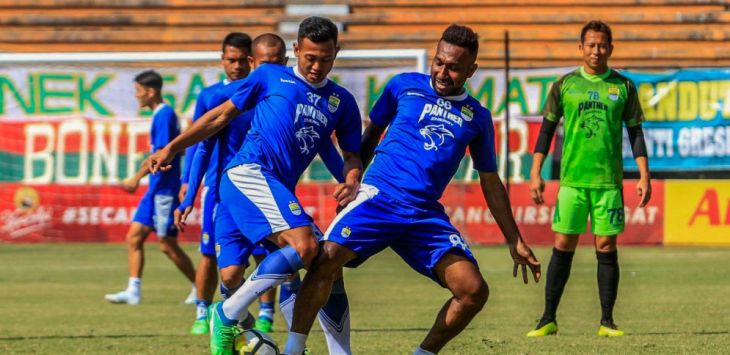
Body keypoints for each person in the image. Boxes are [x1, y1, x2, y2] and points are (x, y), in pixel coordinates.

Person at [284, 24, 542, 355]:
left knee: (473, 290)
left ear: (471, 70)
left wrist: (514, 240)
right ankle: (294, 348)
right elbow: (370, 135)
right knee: (325, 260)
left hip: (423, 214)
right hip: (379, 198)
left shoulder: (477, 117)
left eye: (453, 67)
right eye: (439, 62)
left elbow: (490, 181)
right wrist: (352, 182)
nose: (442, 72)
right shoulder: (403, 86)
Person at [148, 17, 362, 355]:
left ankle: (329, 351)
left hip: (276, 189)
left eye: (326, 58)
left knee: (327, 263)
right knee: (305, 247)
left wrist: (352, 182)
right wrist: (173, 147)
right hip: (247, 174)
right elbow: (219, 117)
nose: (317, 66)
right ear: (296, 51)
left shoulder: (341, 101)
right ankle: (228, 312)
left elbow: (350, 155)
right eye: (310, 58)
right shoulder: (269, 76)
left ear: (337, 51)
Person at [525, 20, 651, 338]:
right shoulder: (565, 85)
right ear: (581, 48)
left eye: (602, 45)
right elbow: (546, 131)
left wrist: (644, 175)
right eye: (591, 45)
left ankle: (607, 321)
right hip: (572, 182)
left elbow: (636, 132)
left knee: (606, 246)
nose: (596, 50)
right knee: (562, 244)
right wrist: (535, 172)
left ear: (610, 48)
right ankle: (547, 318)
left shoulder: (623, 86)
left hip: (608, 183)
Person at [179, 32, 253, 335]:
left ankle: (262, 314)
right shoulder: (210, 96)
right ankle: (202, 310)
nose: (236, 66)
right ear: (222, 60)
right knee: (209, 252)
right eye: (230, 60)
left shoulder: (263, 93)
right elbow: (199, 141)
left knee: (265, 254)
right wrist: (187, 182)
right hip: (218, 185)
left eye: (241, 60)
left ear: (252, 59)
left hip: (257, 185)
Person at [105, 70, 197, 305]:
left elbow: (162, 154)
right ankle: (133, 290)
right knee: (133, 237)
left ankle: (200, 286)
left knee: (167, 245)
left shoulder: (164, 115)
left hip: (165, 191)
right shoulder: (160, 115)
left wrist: (135, 178)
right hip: (155, 190)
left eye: (138, 91)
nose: (136, 96)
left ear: (151, 91)